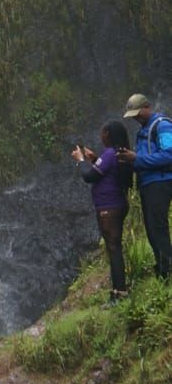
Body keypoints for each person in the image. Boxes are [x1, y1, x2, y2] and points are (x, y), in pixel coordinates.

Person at [71, 121, 132, 301]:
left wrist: (80, 161)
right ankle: (118, 291)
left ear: (108, 135)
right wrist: (94, 159)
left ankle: (120, 293)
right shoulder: (118, 154)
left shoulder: (110, 153)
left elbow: (90, 176)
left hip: (109, 207)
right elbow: (107, 171)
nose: (101, 136)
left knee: (113, 248)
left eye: (103, 133)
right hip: (117, 204)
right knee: (115, 247)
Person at [118, 94, 172, 280]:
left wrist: (137, 159)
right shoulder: (144, 130)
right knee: (151, 228)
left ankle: (167, 270)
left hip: (160, 181)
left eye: (138, 113)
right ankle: (162, 266)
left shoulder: (162, 125)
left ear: (147, 107)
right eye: (133, 115)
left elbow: (169, 155)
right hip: (148, 184)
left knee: (158, 226)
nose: (135, 118)